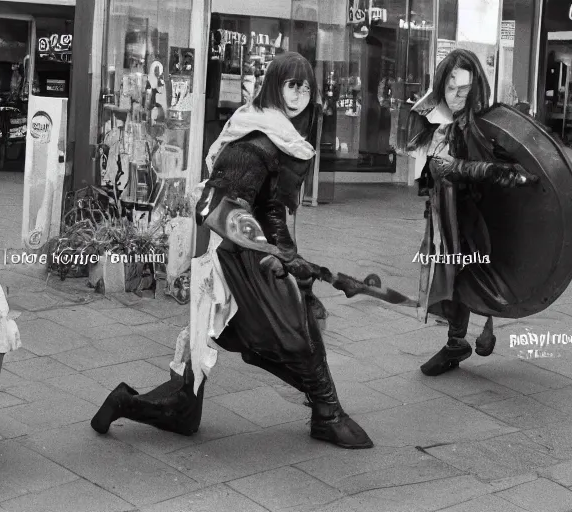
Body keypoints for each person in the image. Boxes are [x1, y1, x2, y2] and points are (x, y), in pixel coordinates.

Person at [90, 52, 373, 449]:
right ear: (276, 85)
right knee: (297, 335)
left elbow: (272, 207)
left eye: (307, 87)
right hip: (236, 260)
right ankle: (327, 413)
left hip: (252, 256)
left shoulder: (280, 133)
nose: (301, 94)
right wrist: (277, 252)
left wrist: (290, 254)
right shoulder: (257, 138)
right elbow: (216, 205)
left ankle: (129, 402)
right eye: (293, 85)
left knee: (190, 403)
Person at [405, 49, 537, 376]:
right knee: (455, 276)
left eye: (465, 89)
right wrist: (487, 171)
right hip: (452, 213)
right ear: (441, 88)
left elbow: (515, 163)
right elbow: (439, 166)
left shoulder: (484, 125)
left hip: (485, 214)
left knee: (471, 273)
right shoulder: (438, 122)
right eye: (452, 89)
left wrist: (502, 169)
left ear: (475, 86)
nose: (458, 96)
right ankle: (457, 341)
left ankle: (467, 335)